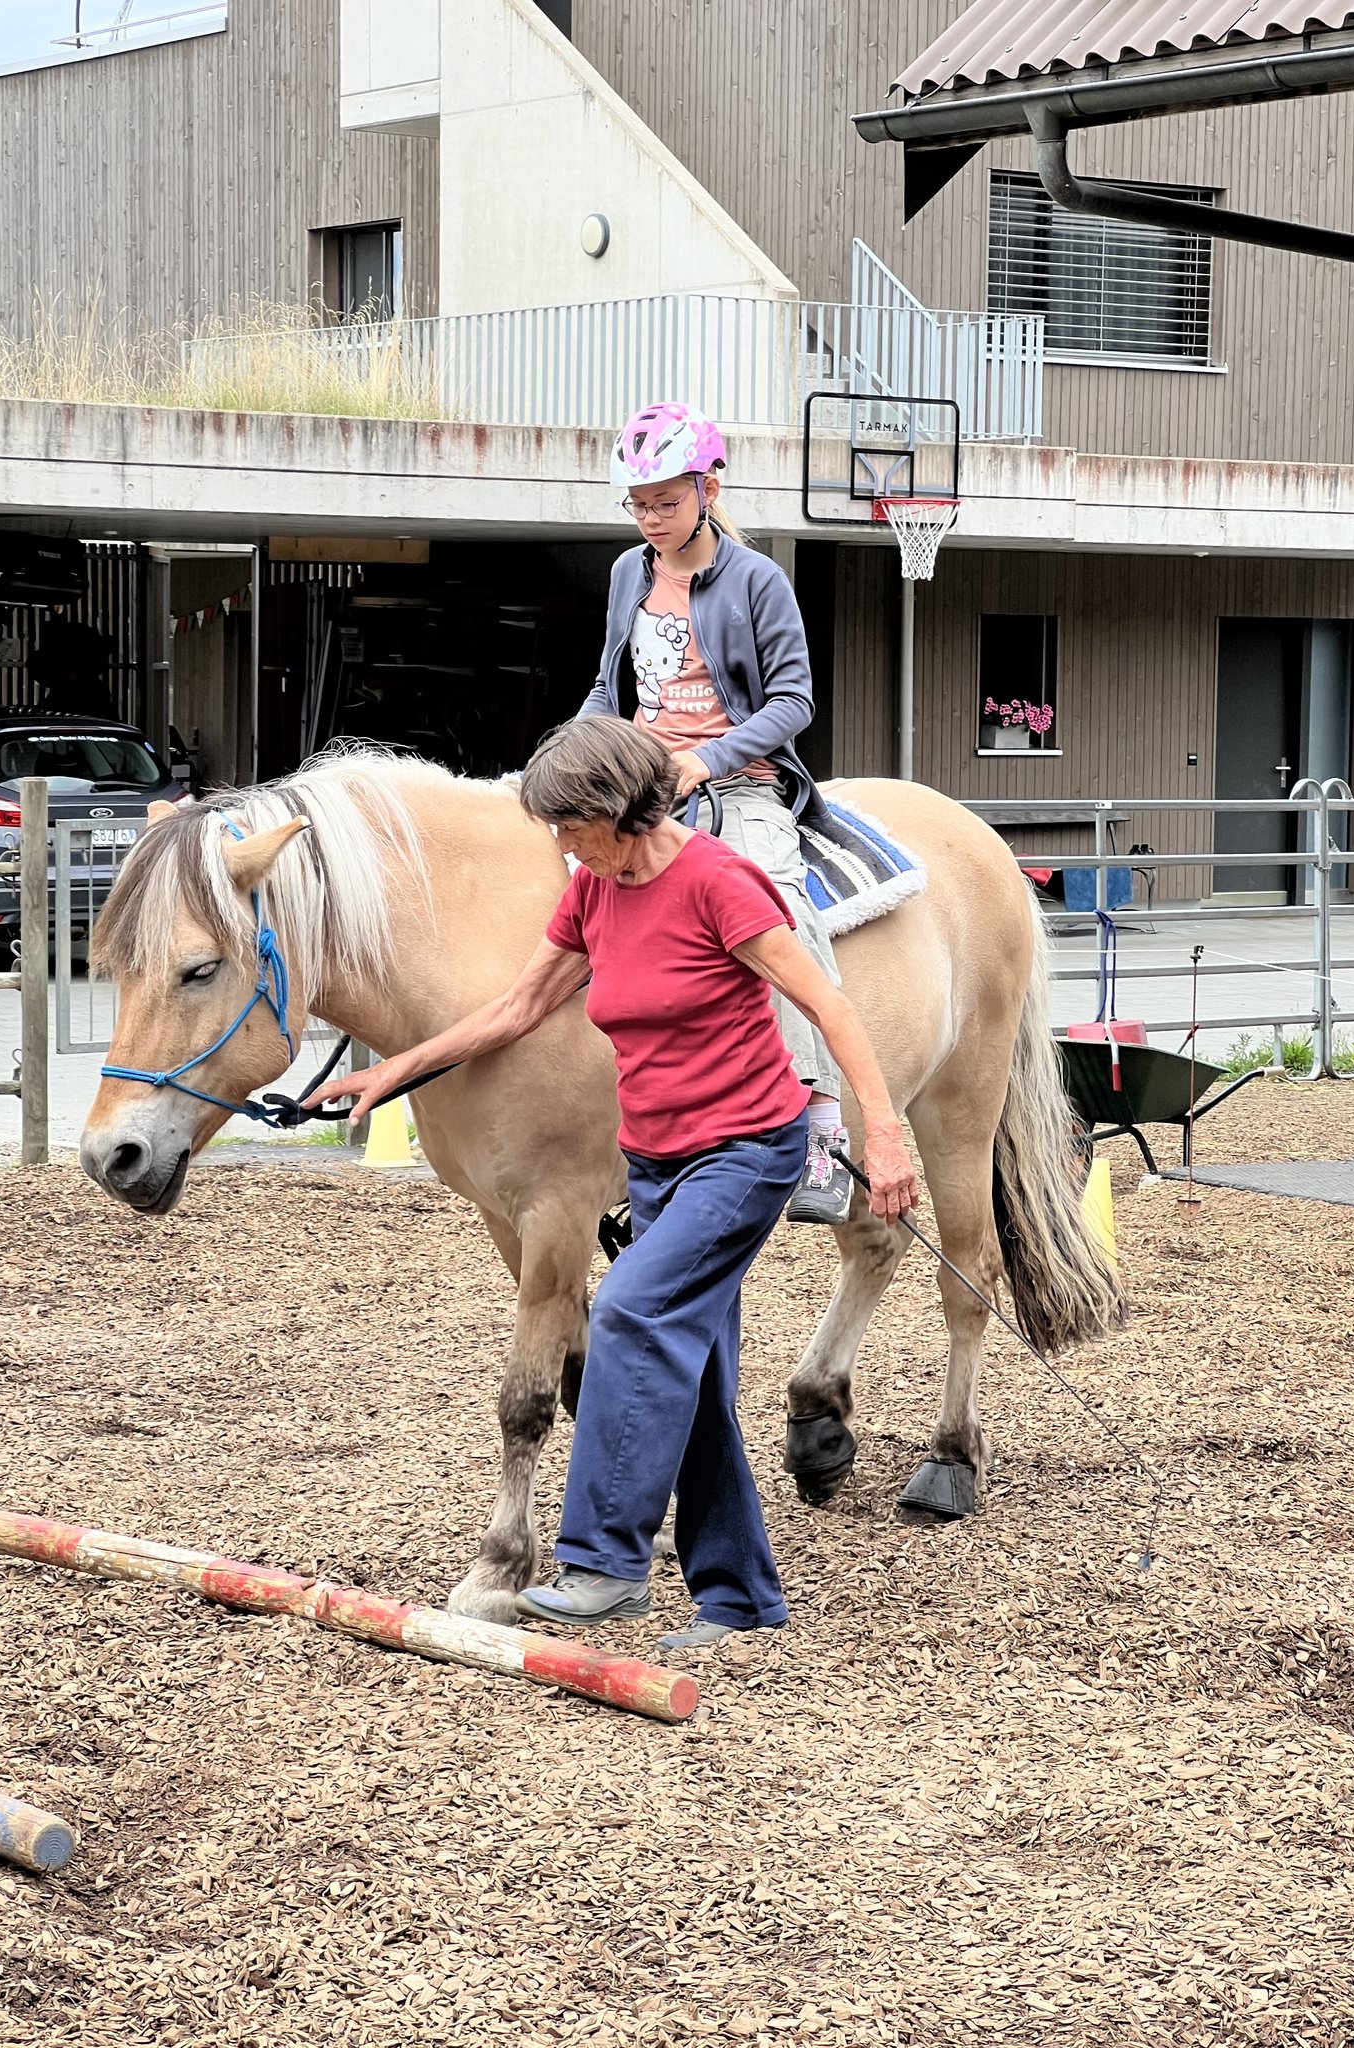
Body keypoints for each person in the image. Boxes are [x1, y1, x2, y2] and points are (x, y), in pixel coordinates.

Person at [308, 717, 918, 1652]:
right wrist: (397, 1070)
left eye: (567, 824)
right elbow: (517, 1008)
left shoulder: (719, 881)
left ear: (616, 811)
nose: (557, 843)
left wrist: (885, 1137)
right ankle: (741, 1600)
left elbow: (826, 1004)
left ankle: (603, 1563)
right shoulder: (593, 891)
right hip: (659, 1166)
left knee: (628, 1313)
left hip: (746, 1152)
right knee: (698, 1382)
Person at [580, 399, 855, 1224]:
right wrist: (575, 750)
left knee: (778, 909)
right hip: (636, 780)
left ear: (708, 487)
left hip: (736, 783)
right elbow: (609, 686)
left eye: (666, 500)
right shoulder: (629, 573)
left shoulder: (757, 580)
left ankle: (820, 1125)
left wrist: (708, 759)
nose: (652, 518)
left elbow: (795, 701)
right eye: (638, 503)